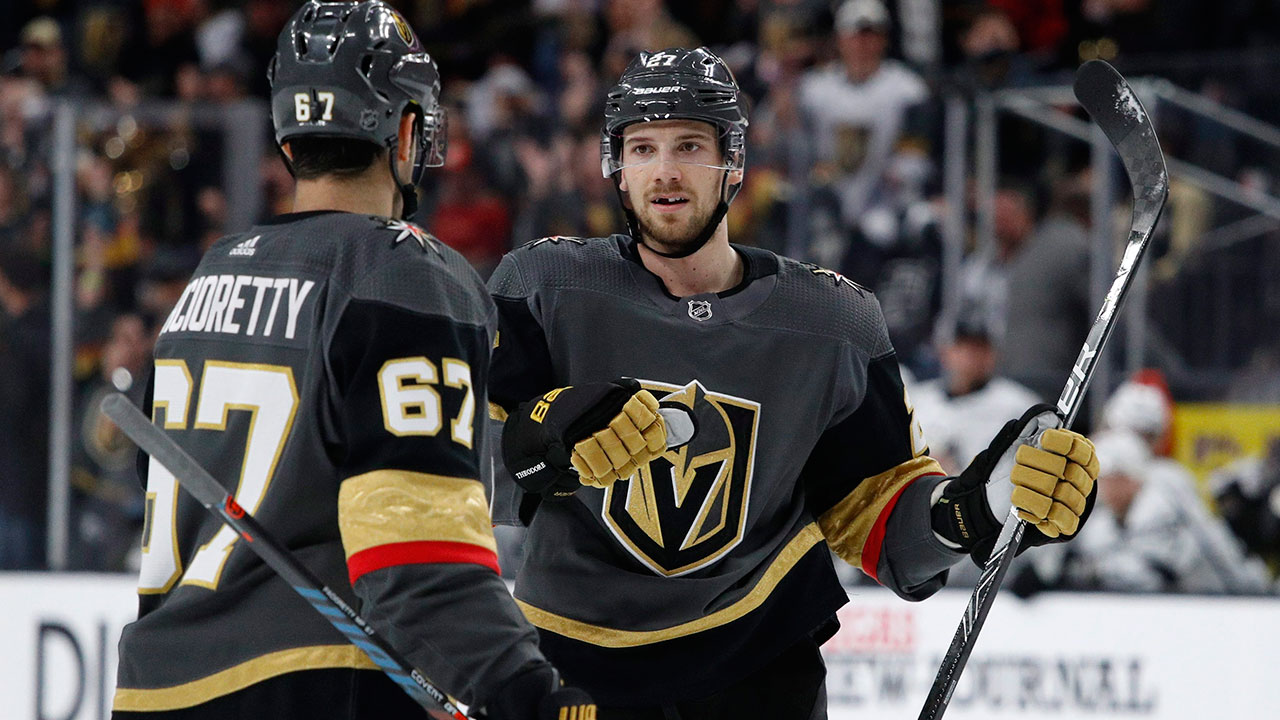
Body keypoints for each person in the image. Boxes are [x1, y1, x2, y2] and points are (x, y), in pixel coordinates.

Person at [486, 47, 1101, 719]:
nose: (664, 171)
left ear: (735, 163)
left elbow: (879, 520)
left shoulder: (833, 321)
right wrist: (537, 433)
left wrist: (978, 507)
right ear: (616, 166)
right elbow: (469, 473)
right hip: (573, 668)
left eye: (690, 145)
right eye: (642, 148)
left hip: (757, 667)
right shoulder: (541, 286)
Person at [110, 3, 591, 719]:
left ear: (287, 138)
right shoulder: (400, 273)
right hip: (307, 686)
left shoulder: (209, 277)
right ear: (404, 131)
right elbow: (420, 559)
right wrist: (527, 692)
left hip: (154, 687)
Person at [911, 313, 1040, 475]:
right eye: (962, 347)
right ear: (944, 352)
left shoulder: (1020, 405)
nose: (970, 357)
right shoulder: (918, 399)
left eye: (979, 348)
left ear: (993, 354)